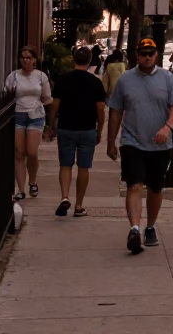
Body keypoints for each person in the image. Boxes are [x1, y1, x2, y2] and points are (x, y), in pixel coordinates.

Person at [107, 37, 173, 254]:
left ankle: (150, 226)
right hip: (132, 141)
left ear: (156, 55)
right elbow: (115, 112)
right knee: (134, 185)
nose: (147, 57)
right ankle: (134, 229)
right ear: (137, 55)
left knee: (155, 188)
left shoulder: (168, 79)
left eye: (151, 53)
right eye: (143, 53)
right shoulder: (125, 79)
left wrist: (167, 127)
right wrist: (110, 141)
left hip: (160, 144)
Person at [49, 46, 107, 217]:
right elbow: (100, 109)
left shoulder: (63, 79)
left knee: (65, 165)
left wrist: (51, 126)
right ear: (90, 61)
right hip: (87, 128)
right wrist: (100, 130)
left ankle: (65, 197)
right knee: (83, 167)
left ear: (74, 58)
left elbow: (54, 106)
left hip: (66, 127)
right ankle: (79, 205)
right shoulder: (95, 82)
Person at [6, 46, 52, 201]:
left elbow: (47, 96)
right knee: (19, 153)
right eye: (23, 57)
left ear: (34, 60)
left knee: (31, 152)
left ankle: (32, 181)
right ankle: (20, 188)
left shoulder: (40, 76)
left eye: (29, 58)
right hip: (18, 114)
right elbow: (7, 96)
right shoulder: (13, 76)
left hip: (35, 115)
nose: (26, 60)